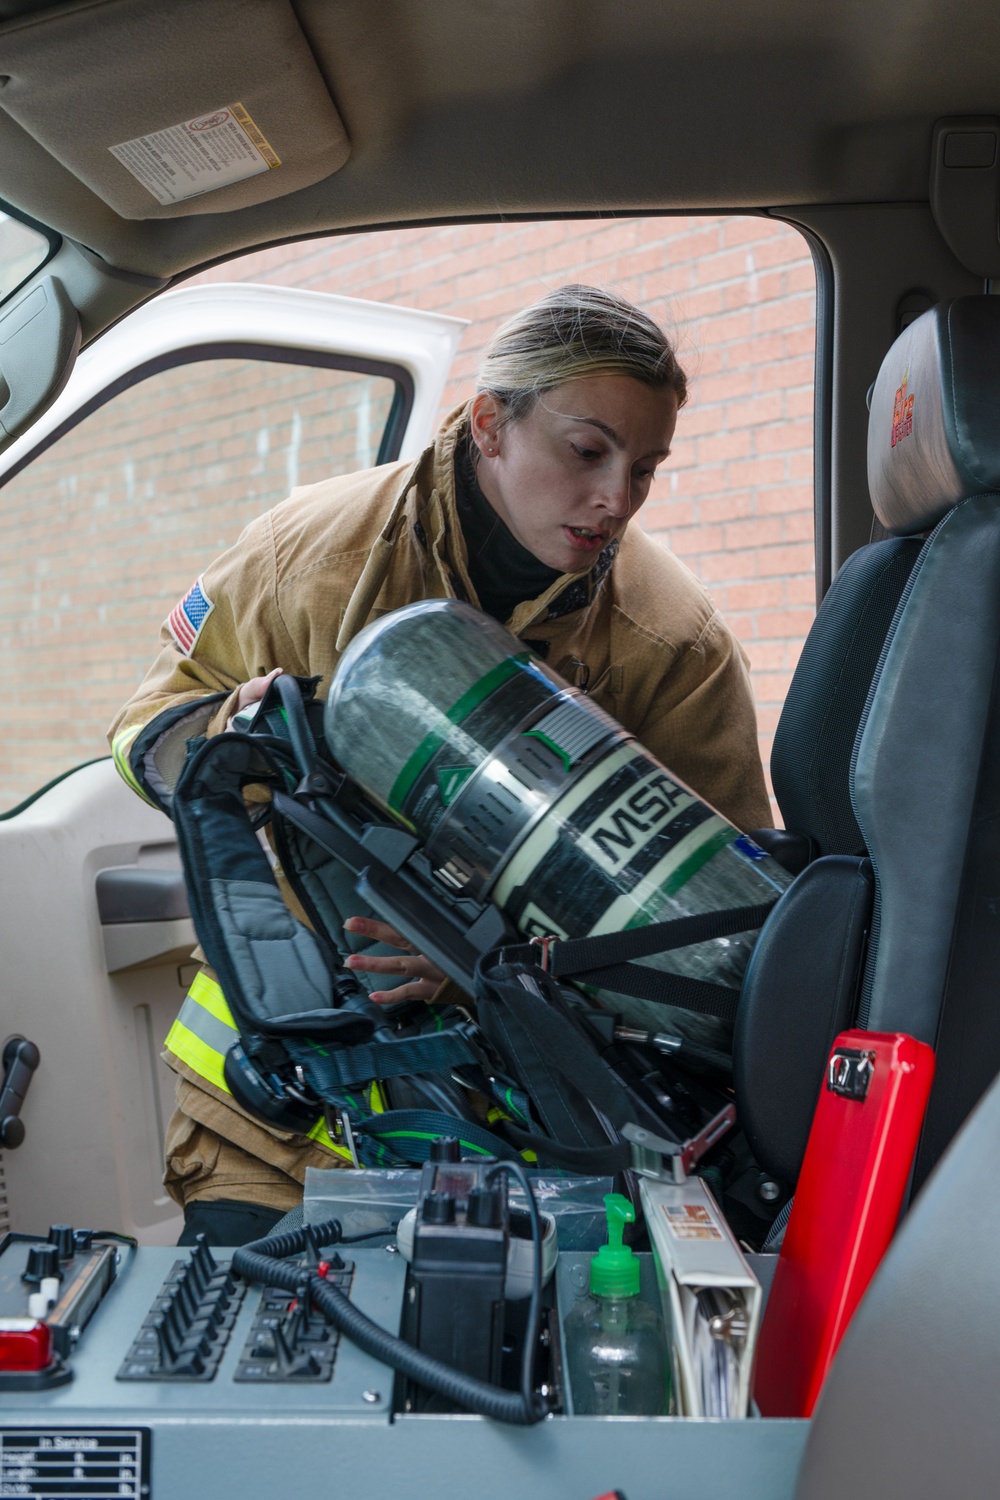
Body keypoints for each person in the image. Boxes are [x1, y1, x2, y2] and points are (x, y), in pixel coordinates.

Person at [109, 284, 772, 1244]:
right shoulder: (311, 558)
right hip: (276, 1116)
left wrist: (489, 955)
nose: (615, 500)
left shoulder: (671, 642)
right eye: (588, 451)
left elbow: (715, 930)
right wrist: (233, 732)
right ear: (492, 423)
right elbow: (145, 729)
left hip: (522, 1137)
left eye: (647, 467)